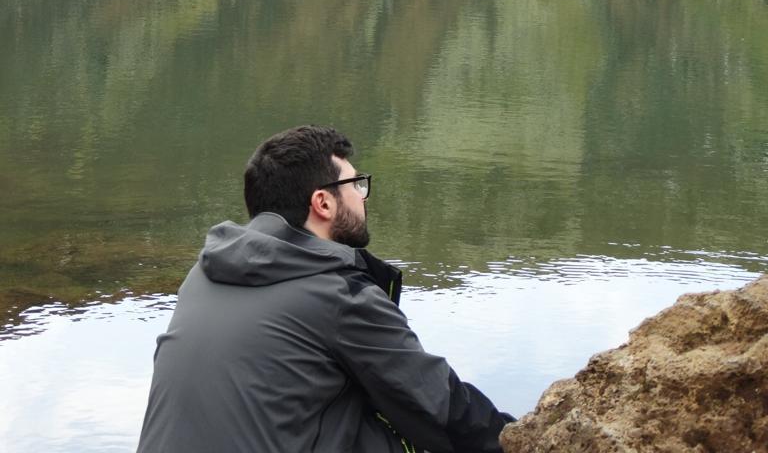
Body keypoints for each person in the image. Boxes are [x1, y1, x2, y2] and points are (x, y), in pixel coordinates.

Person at [136, 125, 513, 452]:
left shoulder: (202, 277)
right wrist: (525, 437)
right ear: (323, 202)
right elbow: (438, 407)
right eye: (356, 185)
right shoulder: (335, 292)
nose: (363, 197)